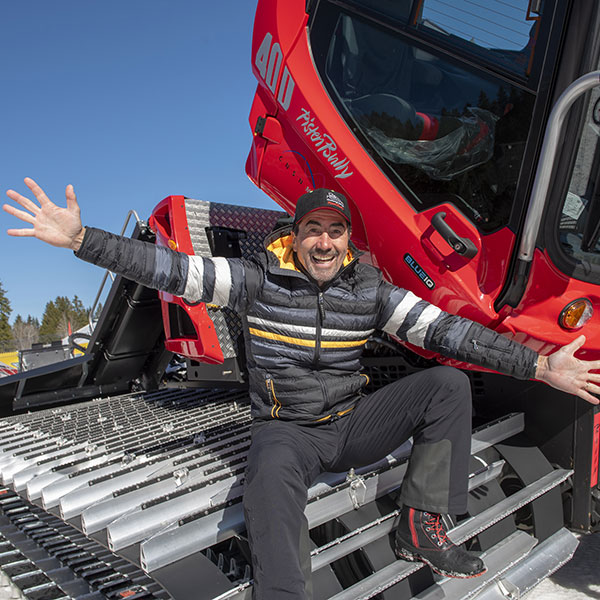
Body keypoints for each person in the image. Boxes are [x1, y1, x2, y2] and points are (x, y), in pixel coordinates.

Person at [4, 178, 600, 599]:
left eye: (336, 231)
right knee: (267, 467)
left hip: (350, 423)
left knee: (445, 383)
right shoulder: (253, 281)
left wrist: (540, 367)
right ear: (297, 235)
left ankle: (420, 526)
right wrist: (85, 241)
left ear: (347, 240)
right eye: (314, 229)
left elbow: (447, 331)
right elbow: (168, 270)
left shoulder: (368, 289)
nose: (325, 242)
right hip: (287, 431)